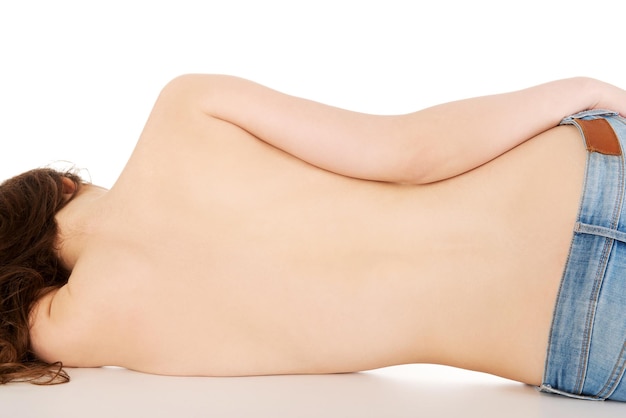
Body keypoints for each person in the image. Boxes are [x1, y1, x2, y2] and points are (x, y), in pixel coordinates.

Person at [1, 75, 626, 401]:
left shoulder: (76, 325)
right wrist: (587, 90)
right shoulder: (187, 110)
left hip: (589, 343)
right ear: (62, 184)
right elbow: (413, 152)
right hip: (589, 178)